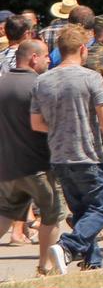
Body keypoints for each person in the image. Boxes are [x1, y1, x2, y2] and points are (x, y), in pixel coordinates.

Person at [36, 26, 103, 272]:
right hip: (88, 154)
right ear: (82, 49)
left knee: (80, 210)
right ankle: (68, 246)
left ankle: (92, 261)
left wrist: (59, 128)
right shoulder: (90, 78)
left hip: (59, 155)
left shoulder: (43, 80)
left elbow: (36, 123)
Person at [0, 38, 61, 274]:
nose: (49, 59)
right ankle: (45, 266)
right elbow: (48, 122)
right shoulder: (39, 85)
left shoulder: (2, 84)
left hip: (7, 165)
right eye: (45, 54)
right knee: (52, 214)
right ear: (33, 57)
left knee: (5, 213)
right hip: (37, 164)